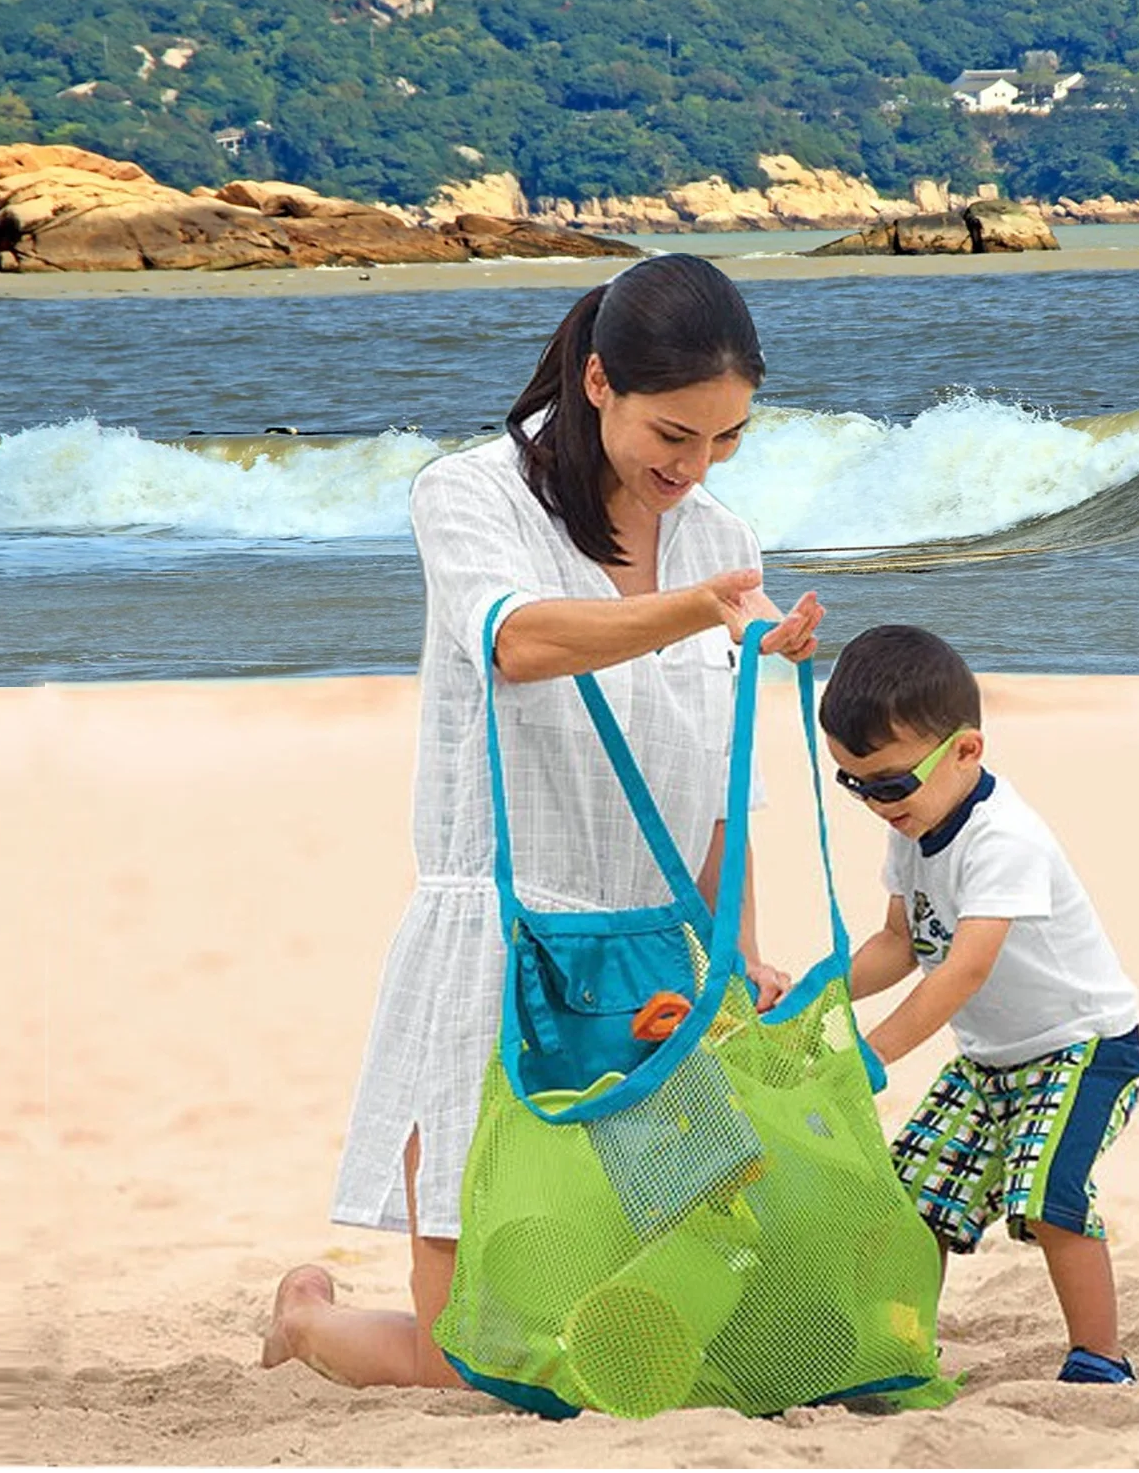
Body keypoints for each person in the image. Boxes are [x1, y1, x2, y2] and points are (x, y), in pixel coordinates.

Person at [261, 254, 823, 1389]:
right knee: (477, 1356)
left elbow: (724, 783)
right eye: (675, 434)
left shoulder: (721, 538)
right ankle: (310, 1320)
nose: (695, 467)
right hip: (503, 943)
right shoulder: (470, 496)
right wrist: (697, 612)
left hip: (660, 967)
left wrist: (740, 947)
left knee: (677, 1321)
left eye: (725, 441)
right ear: (601, 381)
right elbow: (517, 643)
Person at [818, 625, 1139, 1385]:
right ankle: (904, 1348)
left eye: (890, 782)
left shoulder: (1006, 839)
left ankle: (1102, 1358)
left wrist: (872, 1054)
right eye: (853, 782)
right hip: (991, 1061)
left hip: (1084, 1051)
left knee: (1048, 1198)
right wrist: (819, 992)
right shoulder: (915, 825)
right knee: (914, 1200)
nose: (873, 802)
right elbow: (899, 944)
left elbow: (962, 970)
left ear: (966, 750)